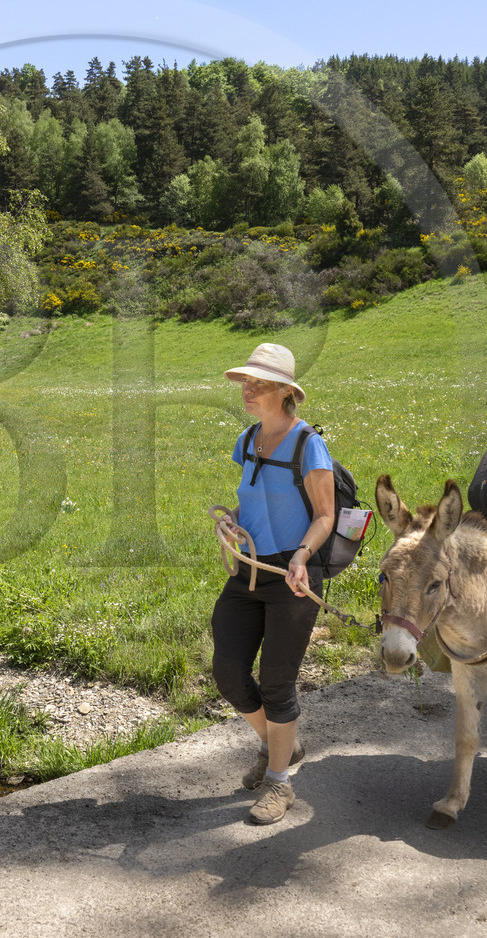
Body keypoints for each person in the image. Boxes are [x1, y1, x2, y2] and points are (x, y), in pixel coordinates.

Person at [213, 342, 336, 825]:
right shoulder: (247, 440)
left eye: (259, 382)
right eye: (246, 380)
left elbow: (325, 515)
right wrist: (233, 522)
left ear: (286, 391)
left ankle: (279, 783)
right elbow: (256, 500)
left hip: (294, 574)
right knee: (227, 670)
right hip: (249, 568)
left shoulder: (309, 444)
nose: (248, 388)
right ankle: (279, 746)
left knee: (277, 683)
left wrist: (303, 556)